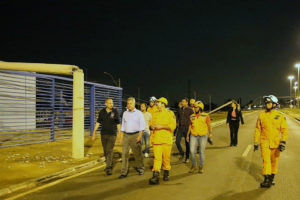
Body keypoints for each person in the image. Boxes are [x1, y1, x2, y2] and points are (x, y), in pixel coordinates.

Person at [254, 95, 288, 188]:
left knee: (274, 162)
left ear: (274, 104)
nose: (266, 104)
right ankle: (267, 180)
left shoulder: (280, 116)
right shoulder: (262, 115)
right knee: (266, 161)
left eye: (268, 103)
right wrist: (255, 141)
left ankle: (271, 178)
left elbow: (284, 130)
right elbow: (258, 129)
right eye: (266, 103)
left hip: (276, 143)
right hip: (264, 142)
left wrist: (283, 142)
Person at [149, 97, 176, 185]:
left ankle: (166, 172)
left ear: (163, 104)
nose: (156, 104)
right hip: (156, 140)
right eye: (156, 102)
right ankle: (155, 176)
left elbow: (173, 126)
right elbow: (150, 125)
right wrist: (151, 127)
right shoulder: (154, 114)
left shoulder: (170, 113)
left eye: (158, 102)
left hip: (166, 140)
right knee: (157, 158)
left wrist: (162, 126)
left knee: (166, 158)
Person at [91, 98, 121, 175]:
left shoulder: (115, 112)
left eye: (112, 103)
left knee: (109, 150)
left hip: (112, 134)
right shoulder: (102, 112)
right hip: (103, 134)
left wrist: (120, 134)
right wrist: (94, 133)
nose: (111, 104)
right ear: (106, 104)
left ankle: (108, 167)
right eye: (110, 103)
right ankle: (108, 161)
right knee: (105, 150)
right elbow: (98, 122)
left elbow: (118, 124)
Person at [119, 97, 145, 178]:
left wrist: (140, 136)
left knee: (137, 153)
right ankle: (124, 172)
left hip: (135, 135)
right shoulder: (125, 113)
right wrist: (120, 136)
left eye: (131, 103)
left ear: (134, 104)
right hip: (126, 136)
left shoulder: (139, 113)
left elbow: (142, 126)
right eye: (128, 103)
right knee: (124, 154)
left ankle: (140, 168)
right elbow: (123, 125)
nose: (129, 105)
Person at [186, 101, 212, 173]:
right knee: (192, 151)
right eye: (194, 107)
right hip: (193, 135)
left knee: (201, 151)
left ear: (200, 108)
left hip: (203, 136)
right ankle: (194, 166)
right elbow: (190, 126)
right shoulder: (192, 116)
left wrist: (210, 133)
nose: (194, 108)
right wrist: (187, 135)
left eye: (196, 107)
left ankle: (201, 167)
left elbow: (209, 125)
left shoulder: (205, 116)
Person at [176, 98, 194, 163]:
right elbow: (177, 117)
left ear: (187, 102)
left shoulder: (190, 110)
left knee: (187, 143)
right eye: (182, 101)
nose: (182, 103)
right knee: (177, 142)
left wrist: (192, 126)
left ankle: (187, 157)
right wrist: (177, 123)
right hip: (180, 128)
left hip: (187, 128)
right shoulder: (179, 109)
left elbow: (193, 118)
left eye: (184, 102)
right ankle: (181, 153)